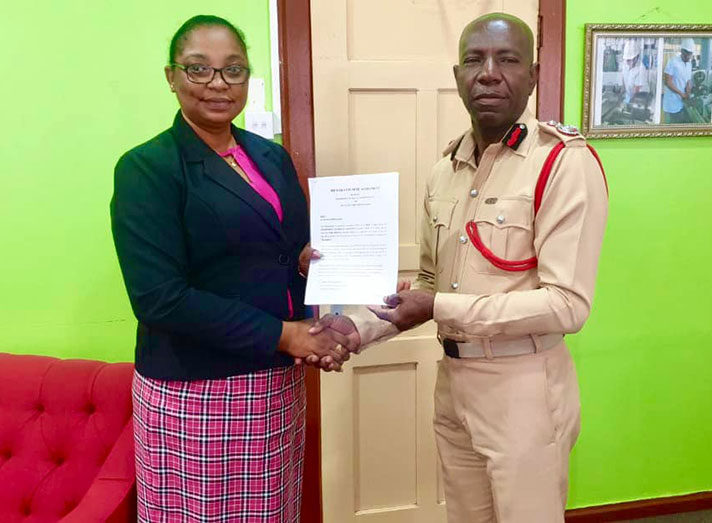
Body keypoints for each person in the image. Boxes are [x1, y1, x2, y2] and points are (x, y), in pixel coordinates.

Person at [312, 12, 608, 522]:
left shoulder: (562, 163)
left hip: (524, 387)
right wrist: (355, 329)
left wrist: (440, 305)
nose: (488, 72)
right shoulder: (444, 168)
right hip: (454, 383)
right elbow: (428, 283)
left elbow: (567, 305)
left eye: (507, 59)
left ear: (533, 75)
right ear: (457, 77)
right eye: (474, 60)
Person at [110, 15, 349, 522]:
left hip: (276, 383)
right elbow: (159, 297)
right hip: (197, 388)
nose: (218, 83)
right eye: (200, 69)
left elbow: (286, 251)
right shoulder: (148, 168)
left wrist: (317, 269)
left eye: (233, 70)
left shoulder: (270, 156)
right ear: (171, 76)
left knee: (273, 511)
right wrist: (287, 335)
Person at [663, 38, 695, 123]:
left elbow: (688, 81)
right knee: (670, 126)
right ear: (682, 51)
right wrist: (681, 94)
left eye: (690, 54)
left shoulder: (689, 64)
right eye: (686, 54)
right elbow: (667, 82)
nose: (688, 56)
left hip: (682, 101)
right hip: (672, 101)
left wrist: (688, 93)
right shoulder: (673, 62)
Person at [621, 40, 648, 104]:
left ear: (637, 56)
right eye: (628, 60)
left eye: (633, 59)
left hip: (641, 96)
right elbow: (623, 77)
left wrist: (629, 100)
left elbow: (637, 89)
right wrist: (623, 92)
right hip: (630, 94)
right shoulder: (624, 64)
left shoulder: (641, 68)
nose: (631, 62)